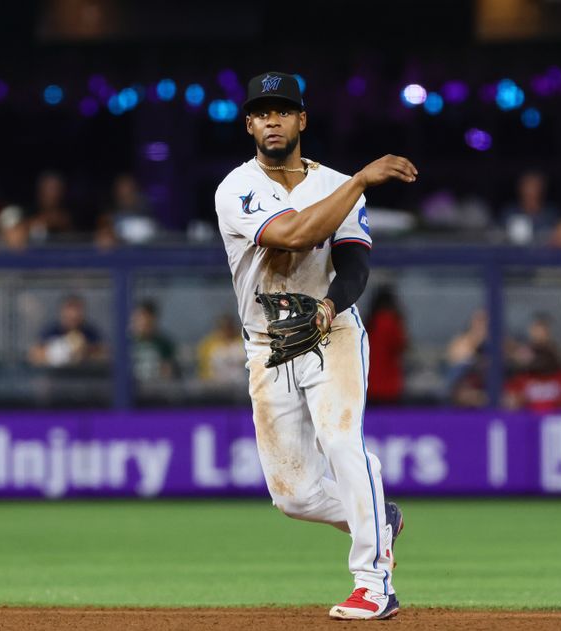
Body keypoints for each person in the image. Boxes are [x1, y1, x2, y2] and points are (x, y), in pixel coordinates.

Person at [214, 72, 417, 620]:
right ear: (249, 123)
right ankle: (379, 517)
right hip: (267, 342)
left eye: (282, 110)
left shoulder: (335, 182)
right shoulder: (236, 188)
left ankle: (374, 583)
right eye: (261, 111)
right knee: (293, 495)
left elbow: (354, 264)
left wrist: (330, 304)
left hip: (332, 332)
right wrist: (360, 181)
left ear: (302, 119)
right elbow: (295, 234)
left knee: (340, 438)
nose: (271, 119)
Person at [28, 295, 105, 367]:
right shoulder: (51, 331)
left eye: (77, 310)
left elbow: (103, 354)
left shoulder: (90, 332)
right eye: (69, 309)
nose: (73, 314)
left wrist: (85, 352)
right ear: (62, 311)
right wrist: (63, 351)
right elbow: (34, 355)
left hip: (84, 378)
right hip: (56, 377)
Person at [364, 287, 406, 404]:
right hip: (389, 385)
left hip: (370, 383)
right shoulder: (391, 322)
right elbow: (401, 345)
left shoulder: (370, 322)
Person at [501, 170, 561, 246]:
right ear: (520, 188)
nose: (531, 191)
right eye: (527, 186)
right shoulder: (509, 213)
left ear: (542, 189)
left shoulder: (552, 214)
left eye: (535, 186)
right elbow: (497, 238)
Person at [445, 309, 489, 408]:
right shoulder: (461, 341)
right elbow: (457, 357)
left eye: (486, 322)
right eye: (479, 321)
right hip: (463, 386)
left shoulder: (501, 343)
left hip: (487, 387)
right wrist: (476, 341)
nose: (482, 325)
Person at [130, 301, 177, 382]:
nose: (141, 322)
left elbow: (168, 372)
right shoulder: (127, 344)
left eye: (145, 318)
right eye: (138, 318)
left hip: (156, 390)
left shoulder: (164, 344)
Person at [196, 313, 247, 385]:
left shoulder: (244, 342)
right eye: (223, 327)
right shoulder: (208, 345)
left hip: (243, 386)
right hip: (217, 387)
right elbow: (204, 370)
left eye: (229, 327)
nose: (226, 330)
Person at [28, 171, 75, 242]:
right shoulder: (28, 213)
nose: (52, 195)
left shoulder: (70, 216)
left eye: (55, 189)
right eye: (48, 189)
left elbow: (76, 240)